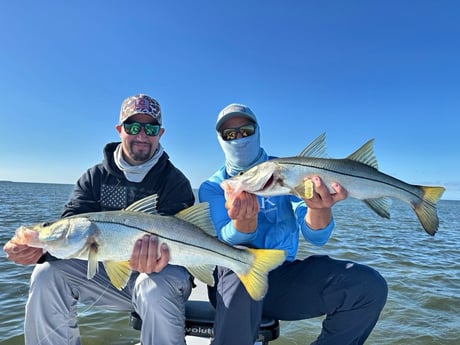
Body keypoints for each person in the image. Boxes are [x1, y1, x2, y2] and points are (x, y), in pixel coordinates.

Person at [3, 94, 195, 345]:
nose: (141, 135)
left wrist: (159, 260)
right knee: (46, 275)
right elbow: (72, 225)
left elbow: (184, 240)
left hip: (163, 277)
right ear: (120, 130)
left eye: (151, 128)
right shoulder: (94, 177)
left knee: (153, 288)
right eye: (133, 127)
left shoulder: (174, 181)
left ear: (160, 133)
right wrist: (40, 250)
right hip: (107, 275)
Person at [199, 103, 388, 345]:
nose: (238, 138)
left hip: (281, 279)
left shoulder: (289, 172)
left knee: (367, 287)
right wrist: (243, 224)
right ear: (220, 140)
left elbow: (317, 236)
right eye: (230, 135)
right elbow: (221, 239)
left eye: (245, 130)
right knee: (242, 262)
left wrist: (319, 207)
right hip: (232, 279)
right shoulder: (214, 186)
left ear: (257, 131)